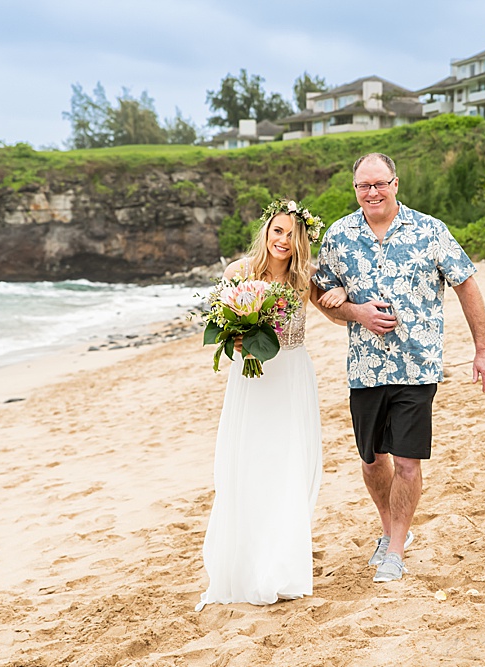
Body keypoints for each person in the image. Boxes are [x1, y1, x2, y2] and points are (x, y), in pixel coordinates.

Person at [313, 152, 485, 583]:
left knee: (408, 463)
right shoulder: (339, 236)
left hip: (417, 366)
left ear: (396, 184)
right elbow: (323, 293)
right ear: (355, 189)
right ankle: (388, 531)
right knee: (371, 460)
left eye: (379, 184)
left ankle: (396, 549)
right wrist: (356, 312)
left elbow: (466, 283)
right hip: (364, 367)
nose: (372, 192)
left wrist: (483, 350)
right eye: (363, 186)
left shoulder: (431, 231)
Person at [196, 199, 339, 610]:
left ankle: (282, 568)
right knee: (251, 466)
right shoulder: (238, 273)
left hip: (293, 378)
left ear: (301, 240)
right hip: (253, 381)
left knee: (289, 467)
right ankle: (246, 567)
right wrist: (237, 339)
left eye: (292, 234)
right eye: (277, 231)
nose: (283, 240)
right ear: (266, 232)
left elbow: (336, 313)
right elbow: (221, 325)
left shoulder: (305, 278)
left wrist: (342, 291)